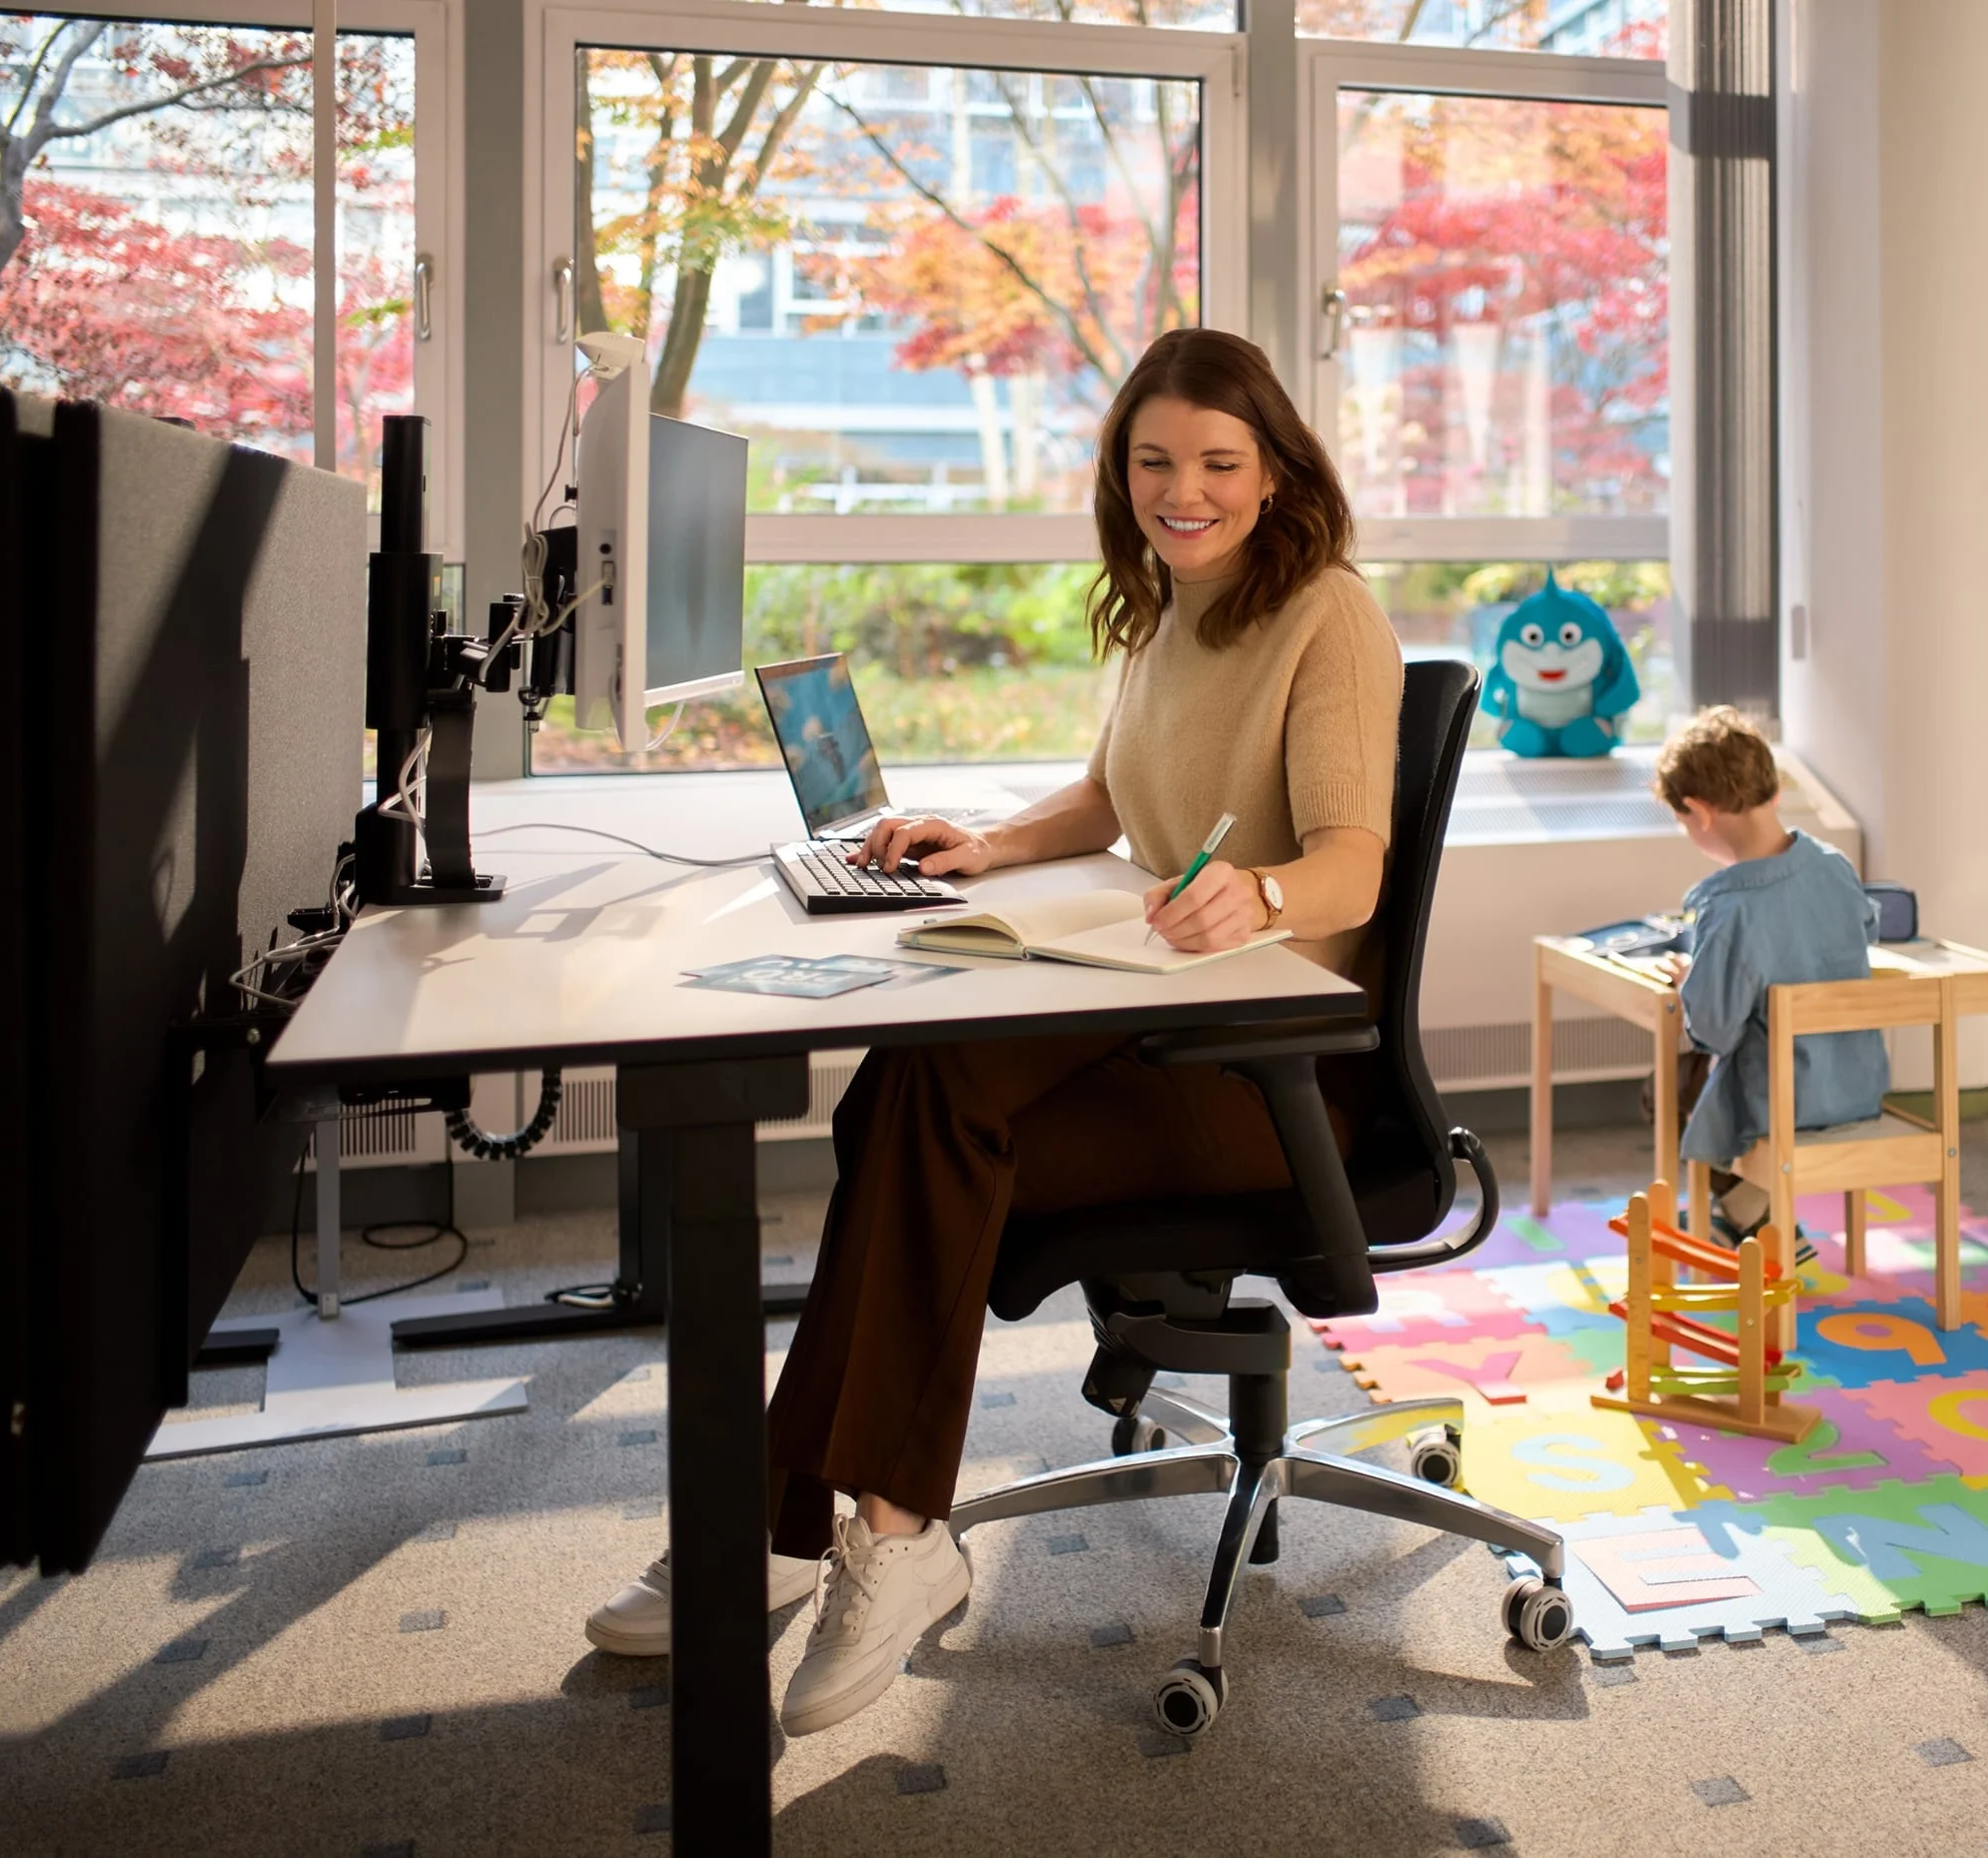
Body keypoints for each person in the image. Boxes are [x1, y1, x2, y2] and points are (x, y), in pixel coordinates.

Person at [583, 329, 1405, 1737]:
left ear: (1273, 473)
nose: (1182, 489)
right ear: (1122, 473)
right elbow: (1107, 796)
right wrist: (995, 847)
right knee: (915, 1077)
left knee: (929, 1099)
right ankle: (880, 1534)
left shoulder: (1326, 613)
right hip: (1152, 1010)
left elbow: (1352, 867)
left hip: (1268, 1068)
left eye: (1217, 462)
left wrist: (1260, 894)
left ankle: (811, 1531)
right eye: (1155, 461)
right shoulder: (1166, 609)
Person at [1651, 708, 1890, 1229]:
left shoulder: (1730, 906)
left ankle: (1744, 1216)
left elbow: (1713, 1030)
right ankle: (1749, 1208)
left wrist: (1692, 981)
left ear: (1699, 811)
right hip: (1857, 1085)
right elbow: (1863, 932)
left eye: (1684, 822)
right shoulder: (1833, 865)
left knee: (1668, 1088)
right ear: (1775, 792)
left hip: (1780, 1106)